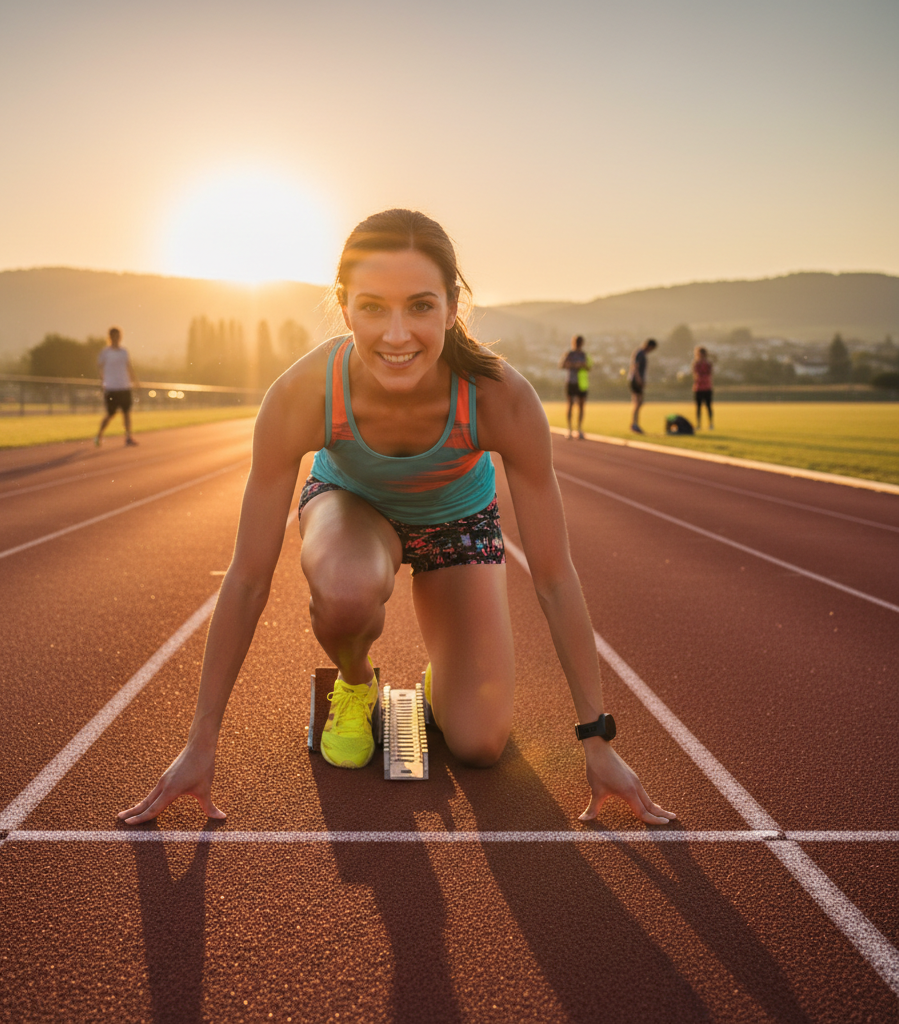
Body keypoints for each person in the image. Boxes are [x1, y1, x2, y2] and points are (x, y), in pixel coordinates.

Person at [119, 209, 674, 827]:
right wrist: (202, 742)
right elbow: (248, 576)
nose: (398, 334)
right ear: (345, 305)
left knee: (481, 745)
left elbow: (553, 576)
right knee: (349, 591)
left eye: (419, 306)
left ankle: (449, 678)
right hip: (353, 509)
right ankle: (355, 682)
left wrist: (598, 741)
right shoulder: (303, 393)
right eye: (374, 307)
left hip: (458, 522)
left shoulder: (501, 398)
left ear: (452, 306)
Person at [95, 327, 139, 447]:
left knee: (126, 413)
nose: (116, 338)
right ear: (110, 337)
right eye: (114, 336)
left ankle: (128, 437)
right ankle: (99, 435)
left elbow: (129, 367)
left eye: (118, 336)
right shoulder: (105, 353)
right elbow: (99, 367)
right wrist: (102, 381)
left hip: (124, 386)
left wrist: (135, 381)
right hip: (111, 388)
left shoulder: (124, 351)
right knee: (110, 414)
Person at [560, 335, 592, 439]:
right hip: (571, 382)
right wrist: (574, 365)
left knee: (581, 406)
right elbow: (562, 365)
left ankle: (579, 429)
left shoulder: (584, 355)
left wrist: (583, 365)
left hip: (581, 383)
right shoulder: (569, 354)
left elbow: (589, 367)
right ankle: (569, 429)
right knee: (570, 405)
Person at [629, 338, 658, 434]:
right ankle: (634, 424)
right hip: (635, 380)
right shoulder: (640, 353)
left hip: (636, 379)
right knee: (638, 402)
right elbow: (635, 367)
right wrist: (638, 379)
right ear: (649, 346)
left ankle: (635, 423)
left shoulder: (641, 353)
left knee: (638, 402)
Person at [692, 346, 714, 429]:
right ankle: (698, 424)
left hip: (707, 387)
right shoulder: (696, 363)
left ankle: (710, 423)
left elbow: (709, 373)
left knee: (708, 406)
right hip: (698, 388)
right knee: (698, 407)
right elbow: (695, 374)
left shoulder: (708, 364)